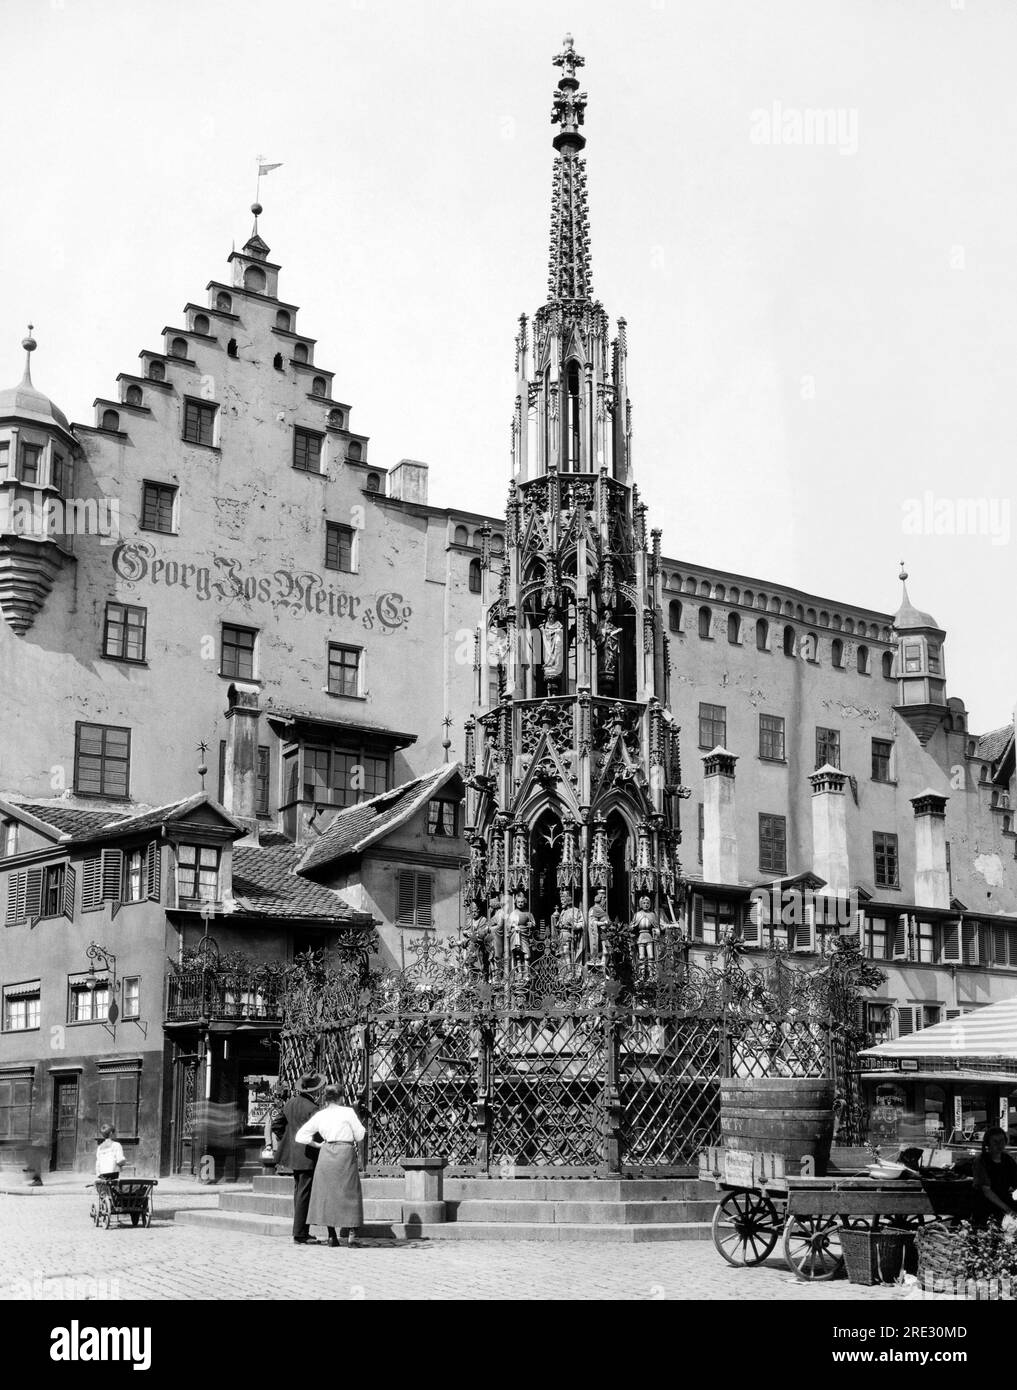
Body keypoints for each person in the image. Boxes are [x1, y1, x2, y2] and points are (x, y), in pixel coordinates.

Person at [295, 1085, 366, 1248]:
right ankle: (351, 1236)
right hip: (345, 1151)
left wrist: (318, 1144)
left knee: (328, 1194)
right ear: (341, 1097)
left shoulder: (321, 1114)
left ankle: (332, 1236)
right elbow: (360, 1134)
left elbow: (301, 1136)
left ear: (325, 1098)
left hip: (326, 1153)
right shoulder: (348, 1112)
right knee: (350, 1193)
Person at [271, 1072, 325, 1245]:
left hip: (294, 1155)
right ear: (315, 1091)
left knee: (299, 1192)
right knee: (304, 1194)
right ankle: (300, 1233)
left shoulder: (290, 1103)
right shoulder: (312, 1108)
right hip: (307, 1155)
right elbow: (318, 1133)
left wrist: (286, 1140)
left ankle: (300, 1231)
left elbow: (276, 1125)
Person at [971, 1126, 1017, 1228]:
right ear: (988, 1143)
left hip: (1004, 1199)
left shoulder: (1008, 1160)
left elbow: (1015, 1184)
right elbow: (987, 1191)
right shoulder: (981, 1161)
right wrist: (1008, 1210)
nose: (999, 1145)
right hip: (985, 1204)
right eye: (995, 1141)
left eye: (1001, 1141)